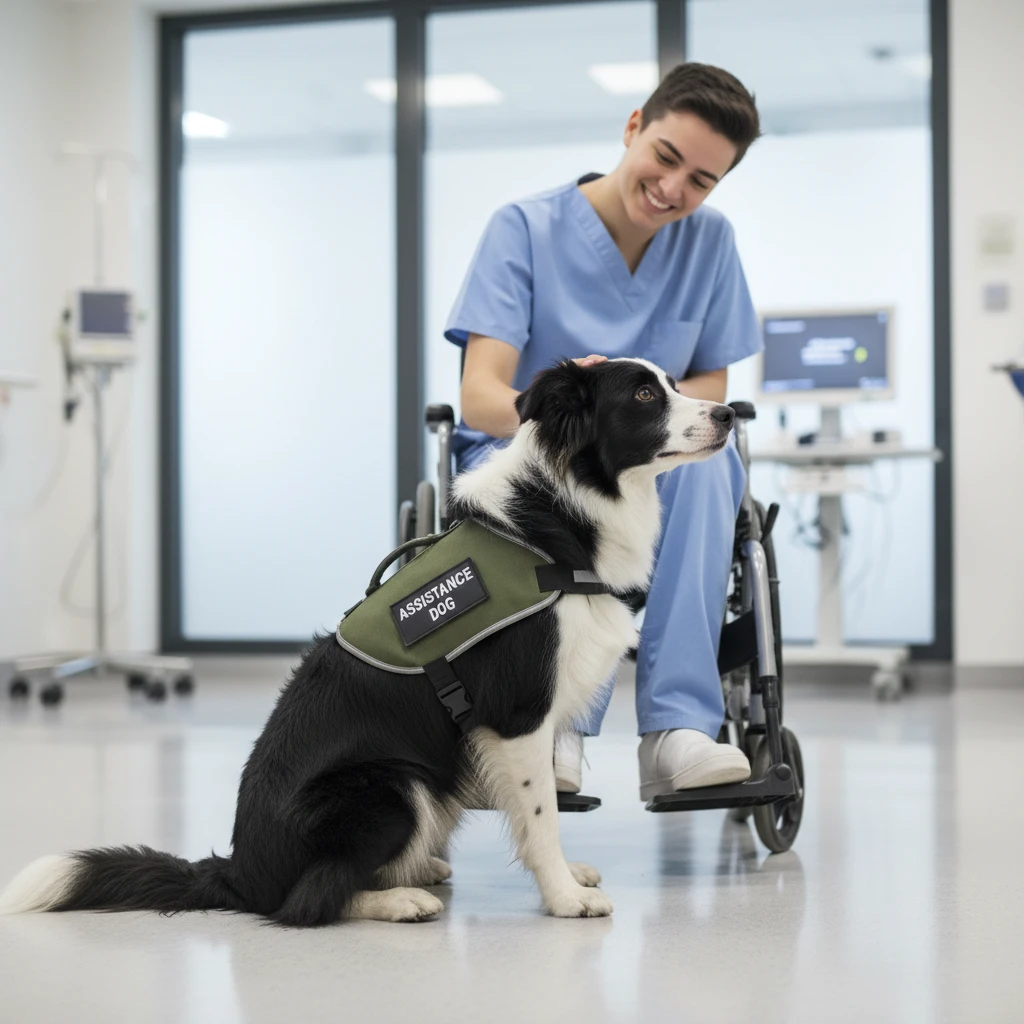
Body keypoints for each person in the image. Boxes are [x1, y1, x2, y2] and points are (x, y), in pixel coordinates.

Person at [443, 62, 763, 801]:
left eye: (703, 180)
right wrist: (572, 417)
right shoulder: (524, 229)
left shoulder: (710, 245)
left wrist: (655, 426)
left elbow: (708, 391)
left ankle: (678, 729)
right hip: (533, 458)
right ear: (632, 128)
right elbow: (481, 395)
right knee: (567, 479)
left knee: (712, 463)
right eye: (666, 157)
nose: (675, 189)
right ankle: (556, 725)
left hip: (652, 470)